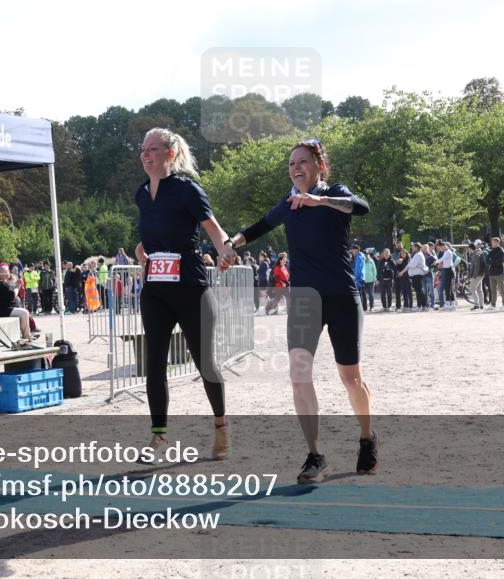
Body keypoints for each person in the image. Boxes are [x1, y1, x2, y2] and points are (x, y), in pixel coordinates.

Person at [226, 139, 376, 483]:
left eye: (303, 162)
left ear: (319, 166)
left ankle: (367, 438)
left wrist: (320, 200)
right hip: (305, 300)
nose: (295, 168)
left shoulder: (335, 193)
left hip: (341, 297)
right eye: (291, 163)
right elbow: (258, 227)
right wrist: (230, 244)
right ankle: (315, 455)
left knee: (351, 379)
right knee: (298, 378)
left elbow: (361, 206)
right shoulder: (288, 203)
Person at [133, 127, 232, 460]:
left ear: (170, 153)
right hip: (156, 291)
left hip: (190, 288)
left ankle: (221, 427)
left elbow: (214, 230)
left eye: (153, 149)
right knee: (155, 363)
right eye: (143, 150)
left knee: (205, 362)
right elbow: (155, 229)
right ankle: (158, 437)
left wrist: (224, 251)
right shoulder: (142, 194)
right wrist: (142, 249)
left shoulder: (188, 189)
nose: (146, 155)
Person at [0, 263, 35, 344]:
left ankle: (26, 334)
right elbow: (13, 295)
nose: (9, 272)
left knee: (23, 312)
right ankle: (26, 336)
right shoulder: (1, 283)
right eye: (8, 270)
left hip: (1, 309)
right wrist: (18, 286)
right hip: (1, 310)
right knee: (24, 313)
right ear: (3, 273)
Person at [406, 242, 429, 310]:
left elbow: (412, 265)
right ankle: (420, 306)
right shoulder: (417, 254)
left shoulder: (418, 255)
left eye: (413, 247)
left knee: (419, 290)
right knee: (418, 290)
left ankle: (424, 305)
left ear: (416, 247)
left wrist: (410, 265)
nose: (412, 248)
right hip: (416, 275)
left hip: (417, 275)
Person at [487, 237, 504, 309]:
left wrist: (491, 261)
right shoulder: (492, 250)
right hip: (491, 272)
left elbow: (499, 261)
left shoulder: (501, 251)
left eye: (493, 242)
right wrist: (491, 261)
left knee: (502, 290)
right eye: (491, 242)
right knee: (493, 290)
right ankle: (493, 305)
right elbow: (487, 260)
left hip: (499, 273)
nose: (492, 244)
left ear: (497, 243)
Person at [434, 241, 456, 310]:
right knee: (448, 288)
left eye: (439, 248)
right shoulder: (446, 252)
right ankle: (451, 304)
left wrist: (436, 262)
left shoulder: (448, 252)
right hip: (447, 270)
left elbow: (442, 259)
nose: (439, 250)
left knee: (448, 288)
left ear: (443, 246)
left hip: (449, 271)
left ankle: (449, 304)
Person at [467, 240, 488, 310]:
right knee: (479, 290)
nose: (468, 250)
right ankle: (481, 305)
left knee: (472, 289)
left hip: (477, 275)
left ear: (470, 248)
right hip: (481, 274)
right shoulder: (478, 253)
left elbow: (476, 267)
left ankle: (477, 305)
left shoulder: (475, 255)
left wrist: (473, 276)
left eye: (468, 249)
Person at [352, 244, 366, 311]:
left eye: (353, 250)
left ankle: (360, 308)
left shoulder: (359, 257)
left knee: (359, 294)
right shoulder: (361, 256)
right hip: (362, 277)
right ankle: (363, 307)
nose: (352, 252)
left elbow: (358, 268)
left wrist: (355, 276)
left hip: (359, 278)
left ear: (357, 250)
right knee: (362, 294)